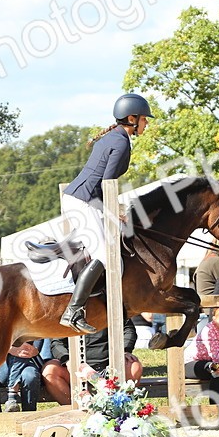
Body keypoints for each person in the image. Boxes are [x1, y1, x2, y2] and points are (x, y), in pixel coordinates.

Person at [59, 92, 152, 332]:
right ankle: (73, 310)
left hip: (83, 198)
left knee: (116, 242)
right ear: (132, 118)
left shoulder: (116, 136)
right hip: (84, 200)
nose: (146, 123)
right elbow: (107, 183)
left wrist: (114, 212)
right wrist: (113, 211)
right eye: (144, 118)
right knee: (104, 252)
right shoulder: (120, 142)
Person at [43, 318, 142, 404]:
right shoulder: (67, 309)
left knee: (134, 367)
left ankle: (119, 408)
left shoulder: (108, 304)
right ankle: (75, 409)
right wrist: (67, 360)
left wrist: (124, 350)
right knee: (50, 371)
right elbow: (56, 342)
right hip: (75, 370)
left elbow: (128, 330)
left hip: (109, 366)